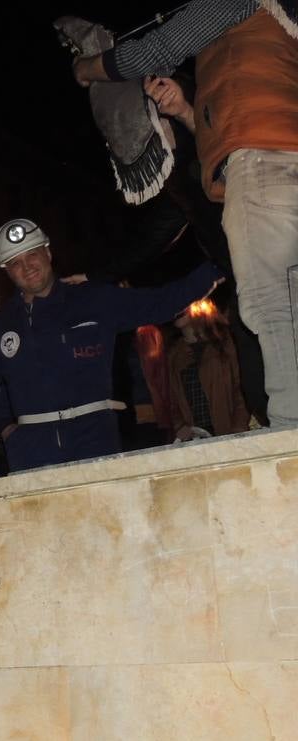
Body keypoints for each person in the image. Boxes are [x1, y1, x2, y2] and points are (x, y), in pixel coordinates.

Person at [71, 0, 298, 429]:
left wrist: (86, 69)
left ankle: (289, 439)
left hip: (264, 169)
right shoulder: (276, 29)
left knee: (272, 310)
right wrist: (186, 113)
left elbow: (150, 52)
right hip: (280, 167)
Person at [0, 218, 224, 472]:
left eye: (33, 255)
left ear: (47, 252)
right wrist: (4, 426)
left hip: (95, 440)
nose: (27, 267)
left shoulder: (92, 298)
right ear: (6, 270)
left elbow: (162, 302)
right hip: (31, 450)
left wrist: (218, 265)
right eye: (15, 263)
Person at [167, 300, 251, 440]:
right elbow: (173, 399)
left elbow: (241, 387)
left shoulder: (224, 343)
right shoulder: (175, 354)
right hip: (197, 437)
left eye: (185, 304)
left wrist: (238, 427)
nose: (179, 310)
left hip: (229, 433)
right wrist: (180, 425)